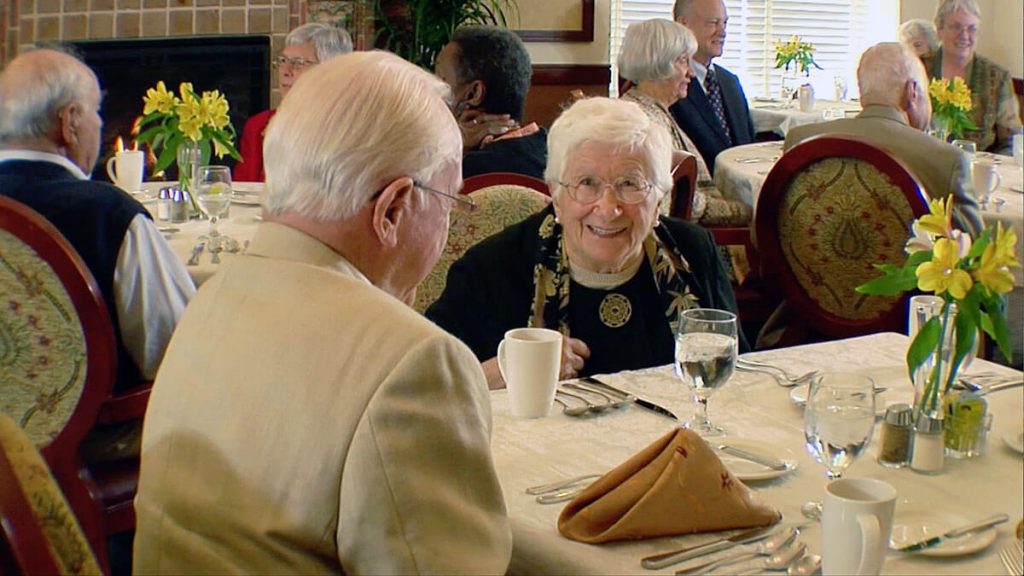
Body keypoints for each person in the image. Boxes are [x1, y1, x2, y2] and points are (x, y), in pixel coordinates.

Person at [133, 51, 512, 574]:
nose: (447, 228)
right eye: (450, 203)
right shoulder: (413, 365)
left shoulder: (209, 299)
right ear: (394, 209)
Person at [426, 97, 743, 389]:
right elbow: (425, 386)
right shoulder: (492, 271)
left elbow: (739, 377)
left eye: (630, 184)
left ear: (659, 199)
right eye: (586, 183)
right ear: (556, 194)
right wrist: (503, 371)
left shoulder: (693, 254)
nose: (607, 208)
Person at [0, 48, 194, 394]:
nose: (100, 124)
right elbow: (179, 353)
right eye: (96, 111)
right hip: (93, 440)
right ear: (70, 121)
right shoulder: (110, 216)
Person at [785, 42, 982, 237]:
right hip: (904, 269)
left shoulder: (800, 140)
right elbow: (974, 253)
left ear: (863, 93)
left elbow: (767, 235)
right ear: (911, 92)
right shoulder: (947, 161)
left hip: (809, 268)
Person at [618, 18, 750, 227]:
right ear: (657, 64)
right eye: (683, 61)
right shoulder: (646, 125)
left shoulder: (647, 108)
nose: (690, 73)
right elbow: (685, 204)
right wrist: (745, 211)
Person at [233, 22, 352, 181]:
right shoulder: (257, 126)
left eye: (298, 63)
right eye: (283, 61)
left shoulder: (350, 129)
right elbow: (241, 191)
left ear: (330, 71)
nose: (285, 71)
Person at [434, 25, 547, 180]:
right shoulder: (553, 148)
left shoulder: (467, 171)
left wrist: (454, 147)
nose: (432, 89)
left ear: (474, 93)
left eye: (440, 79)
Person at [921, 0, 1022, 154]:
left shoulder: (997, 77)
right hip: (922, 165)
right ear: (939, 29)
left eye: (972, 29)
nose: (964, 35)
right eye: (956, 27)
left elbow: (1012, 139)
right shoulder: (917, 69)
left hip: (978, 170)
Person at [669, 0, 756, 174]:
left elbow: (748, 146)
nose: (722, 32)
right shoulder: (668, 84)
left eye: (725, 23)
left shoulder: (730, 82)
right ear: (683, 24)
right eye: (713, 23)